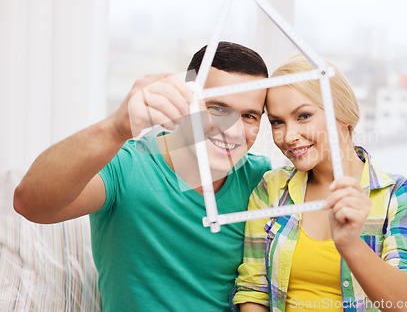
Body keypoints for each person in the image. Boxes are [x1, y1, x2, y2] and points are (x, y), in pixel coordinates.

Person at [14, 41, 273, 311]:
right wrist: (116, 128)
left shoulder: (262, 180)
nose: (233, 131)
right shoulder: (128, 167)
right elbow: (29, 203)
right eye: (218, 108)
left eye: (249, 116)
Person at [233, 55, 407, 312]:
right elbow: (253, 291)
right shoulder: (271, 188)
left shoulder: (400, 195)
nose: (289, 136)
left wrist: (350, 244)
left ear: (344, 114)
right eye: (277, 122)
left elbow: (401, 304)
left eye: (303, 115)